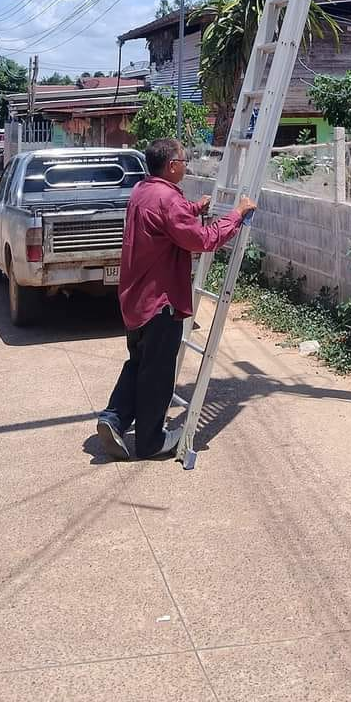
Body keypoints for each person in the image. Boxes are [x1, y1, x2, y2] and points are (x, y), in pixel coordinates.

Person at [96, 137, 255, 461]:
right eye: (184, 161)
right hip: (160, 302)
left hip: (135, 299)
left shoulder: (143, 191)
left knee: (139, 363)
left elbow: (164, 224)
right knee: (156, 374)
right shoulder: (168, 200)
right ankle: (152, 441)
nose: (186, 166)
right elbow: (202, 239)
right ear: (171, 165)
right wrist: (236, 215)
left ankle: (113, 418)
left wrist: (195, 208)